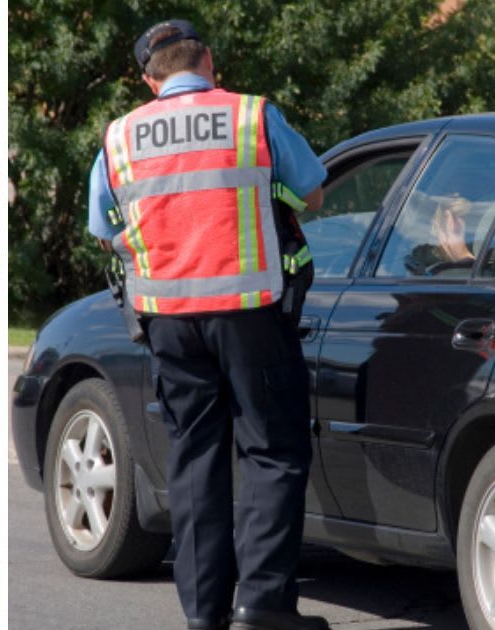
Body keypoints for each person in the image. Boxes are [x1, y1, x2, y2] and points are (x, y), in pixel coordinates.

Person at [87, 19, 328, 630]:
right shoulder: (251, 116)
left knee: (194, 458)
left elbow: (105, 229)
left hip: (168, 321)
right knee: (271, 451)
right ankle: (265, 606)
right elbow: (313, 193)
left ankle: (204, 615)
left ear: (149, 78)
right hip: (250, 311)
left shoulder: (120, 137)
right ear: (209, 59)